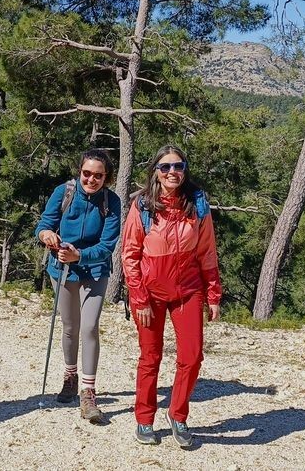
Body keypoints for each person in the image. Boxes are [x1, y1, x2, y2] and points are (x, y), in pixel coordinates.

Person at [120, 145, 222, 448]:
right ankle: (144, 418)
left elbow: (206, 252)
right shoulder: (143, 206)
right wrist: (138, 298)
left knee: (192, 357)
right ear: (156, 171)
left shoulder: (197, 203)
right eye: (165, 167)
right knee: (150, 357)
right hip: (150, 292)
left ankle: (177, 415)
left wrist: (213, 293)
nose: (172, 172)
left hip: (188, 289)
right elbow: (130, 255)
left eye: (178, 166)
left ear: (185, 169)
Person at [33, 149, 121, 423]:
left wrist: (80, 255)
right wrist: (47, 235)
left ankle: (88, 391)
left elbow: (107, 246)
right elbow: (44, 224)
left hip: (94, 270)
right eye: (87, 173)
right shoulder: (64, 192)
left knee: (89, 326)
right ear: (79, 171)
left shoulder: (111, 201)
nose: (91, 180)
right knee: (70, 326)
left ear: (106, 178)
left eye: (98, 175)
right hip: (62, 269)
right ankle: (70, 376)